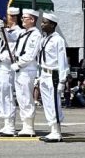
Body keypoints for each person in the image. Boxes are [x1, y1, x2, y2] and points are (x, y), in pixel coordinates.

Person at [37, 12, 69, 142]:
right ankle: (52, 130)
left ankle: (57, 132)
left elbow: (62, 61)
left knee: (54, 103)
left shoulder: (58, 40)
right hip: (44, 74)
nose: (42, 24)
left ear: (52, 25)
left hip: (54, 76)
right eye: (42, 22)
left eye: (45, 22)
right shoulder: (44, 39)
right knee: (47, 104)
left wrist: (62, 80)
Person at [10, 8, 41, 137]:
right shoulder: (23, 33)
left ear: (32, 20)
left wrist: (17, 64)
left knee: (26, 97)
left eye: (24, 18)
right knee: (21, 98)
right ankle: (25, 124)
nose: (22, 20)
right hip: (19, 69)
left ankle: (29, 126)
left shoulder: (35, 35)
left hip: (27, 69)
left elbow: (30, 55)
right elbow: (9, 37)